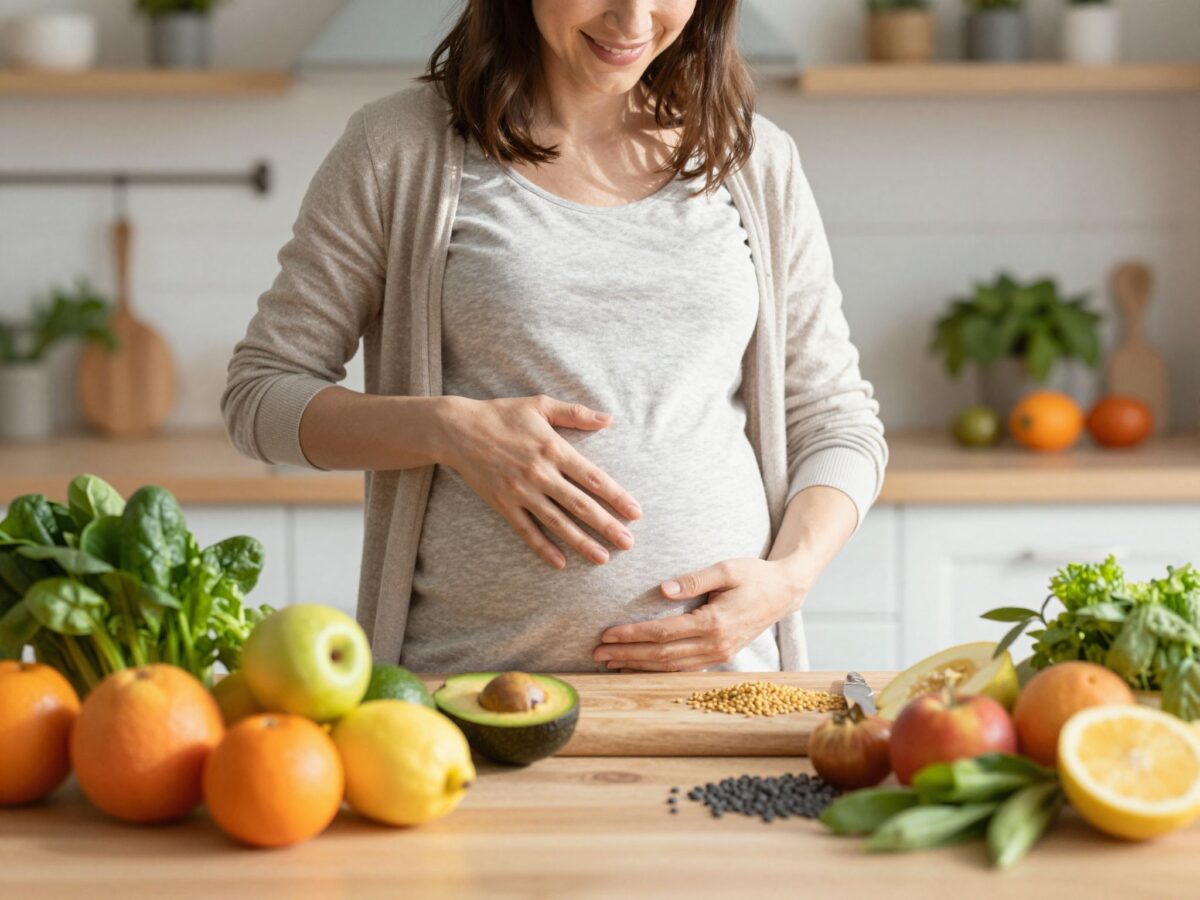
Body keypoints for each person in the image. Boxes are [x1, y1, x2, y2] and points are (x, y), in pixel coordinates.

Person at [222, 0, 887, 674]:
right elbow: (261, 396)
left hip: (723, 696)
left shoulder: (753, 160)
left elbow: (835, 420)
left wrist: (791, 579)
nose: (632, 19)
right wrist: (447, 429)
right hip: (471, 700)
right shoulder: (400, 149)